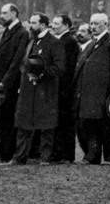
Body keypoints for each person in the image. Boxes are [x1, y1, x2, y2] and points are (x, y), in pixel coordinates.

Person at [5, 13, 65, 166]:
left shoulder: (54, 43)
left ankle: (45, 158)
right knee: (23, 122)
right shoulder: (31, 41)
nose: (30, 26)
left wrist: (41, 74)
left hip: (45, 89)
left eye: (33, 23)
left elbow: (59, 68)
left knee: (46, 125)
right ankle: (19, 157)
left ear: (43, 25)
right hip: (27, 89)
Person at [73, 13, 110, 165]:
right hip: (89, 91)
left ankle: (109, 157)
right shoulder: (91, 43)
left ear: (105, 24)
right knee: (90, 124)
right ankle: (92, 156)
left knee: (105, 125)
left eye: (96, 24)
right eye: (91, 24)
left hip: (104, 90)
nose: (93, 27)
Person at [0, 3, 29, 162]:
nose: (2, 16)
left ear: (14, 13)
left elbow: (17, 59)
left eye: (5, 13)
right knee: (0, 118)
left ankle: (7, 153)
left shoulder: (21, 33)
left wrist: (6, 80)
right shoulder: (7, 31)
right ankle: (1, 152)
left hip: (9, 83)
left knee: (7, 119)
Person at [51, 14, 80, 163]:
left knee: (66, 122)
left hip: (65, 88)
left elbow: (68, 68)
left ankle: (66, 155)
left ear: (66, 26)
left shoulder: (69, 42)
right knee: (59, 121)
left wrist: (64, 87)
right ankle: (59, 153)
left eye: (57, 24)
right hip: (59, 87)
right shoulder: (60, 40)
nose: (53, 26)